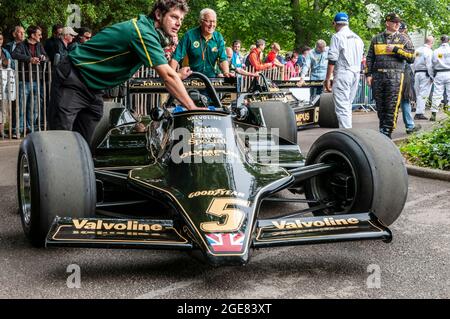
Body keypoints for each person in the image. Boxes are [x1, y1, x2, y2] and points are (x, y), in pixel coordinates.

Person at [48, 0, 201, 144]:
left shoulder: (149, 34)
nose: (179, 23)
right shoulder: (142, 32)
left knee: (84, 143)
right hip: (74, 76)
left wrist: (178, 76)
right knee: (62, 140)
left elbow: (166, 72)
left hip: (93, 88)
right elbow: (168, 75)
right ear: (159, 14)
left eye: (181, 19)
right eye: (174, 17)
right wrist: (192, 109)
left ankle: (79, 169)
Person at [365, 13, 415, 138]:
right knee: (380, 106)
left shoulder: (404, 39)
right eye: (395, 22)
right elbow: (370, 58)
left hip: (396, 76)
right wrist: (368, 74)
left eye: (399, 22)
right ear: (388, 23)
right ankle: (383, 130)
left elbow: (412, 57)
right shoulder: (376, 39)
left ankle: (387, 133)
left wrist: (396, 50)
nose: (398, 24)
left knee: (391, 106)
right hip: (378, 76)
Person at [324, 12, 364, 129]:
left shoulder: (337, 37)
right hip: (355, 73)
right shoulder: (358, 38)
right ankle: (348, 131)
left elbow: (332, 59)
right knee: (347, 105)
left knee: (342, 107)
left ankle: (346, 134)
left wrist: (327, 79)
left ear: (334, 23)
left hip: (343, 72)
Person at [170, 8, 230, 78]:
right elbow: (176, 57)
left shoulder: (218, 37)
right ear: (201, 22)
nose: (212, 24)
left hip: (211, 79)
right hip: (191, 77)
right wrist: (171, 77)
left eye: (214, 21)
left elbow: (223, 59)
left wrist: (226, 73)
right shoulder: (189, 35)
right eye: (209, 21)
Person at [11, 26, 48, 136]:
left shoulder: (39, 45)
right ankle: (19, 129)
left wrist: (43, 57)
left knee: (34, 107)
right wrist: (30, 59)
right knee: (21, 106)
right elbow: (14, 55)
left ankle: (30, 128)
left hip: (37, 79)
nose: (41, 36)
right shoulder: (21, 45)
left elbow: (47, 57)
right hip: (24, 80)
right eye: (39, 34)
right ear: (32, 35)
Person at [399, 22, 421, 134]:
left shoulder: (388, 38)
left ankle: (385, 129)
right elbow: (411, 58)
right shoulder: (405, 39)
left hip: (395, 71)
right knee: (405, 99)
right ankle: (409, 126)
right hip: (404, 71)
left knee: (397, 100)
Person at [414, 36, 434, 120]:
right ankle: (419, 113)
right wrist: (432, 76)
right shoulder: (429, 51)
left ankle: (419, 111)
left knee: (418, 93)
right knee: (423, 94)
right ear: (431, 42)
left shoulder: (417, 50)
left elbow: (412, 63)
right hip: (425, 74)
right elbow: (429, 65)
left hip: (416, 73)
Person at [430, 35, 450, 121]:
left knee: (437, 94)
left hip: (439, 73)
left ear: (441, 41)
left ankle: (433, 114)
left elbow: (432, 63)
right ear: (448, 41)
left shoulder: (436, 51)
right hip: (449, 72)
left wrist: (432, 75)